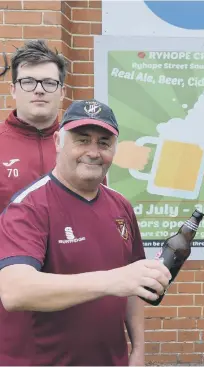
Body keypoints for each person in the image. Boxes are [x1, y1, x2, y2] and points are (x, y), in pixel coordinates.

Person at [0, 99, 171, 366]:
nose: (93, 152)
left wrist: (138, 350)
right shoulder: (30, 206)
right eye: (82, 140)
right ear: (58, 141)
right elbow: (14, 291)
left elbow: (133, 282)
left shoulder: (120, 205)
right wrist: (112, 280)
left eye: (103, 143)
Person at [0, 39, 66, 366]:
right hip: (10, 314)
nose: (39, 90)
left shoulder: (83, 151)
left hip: (74, 305)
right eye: (28, 81)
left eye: (49, 82)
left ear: (61, 91)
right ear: (13, 89)